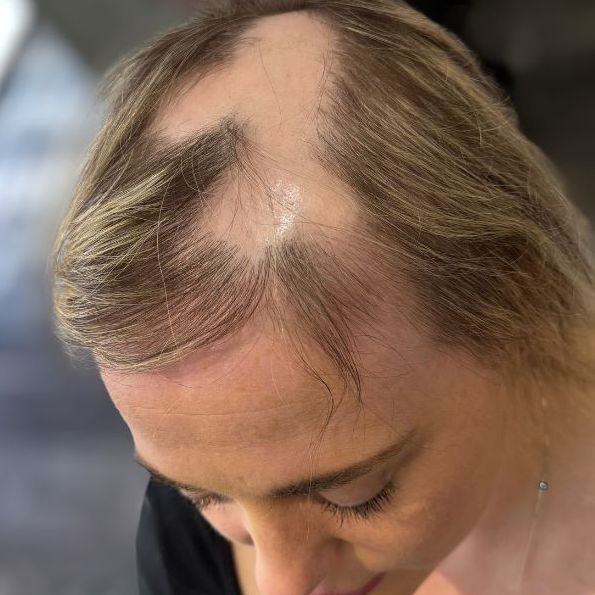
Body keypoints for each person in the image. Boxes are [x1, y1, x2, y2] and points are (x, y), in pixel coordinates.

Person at [51, 1, 595, 593]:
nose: (280, 584)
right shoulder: (190, 534)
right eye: (203, 494)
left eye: (355, 495)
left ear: (513, 295)